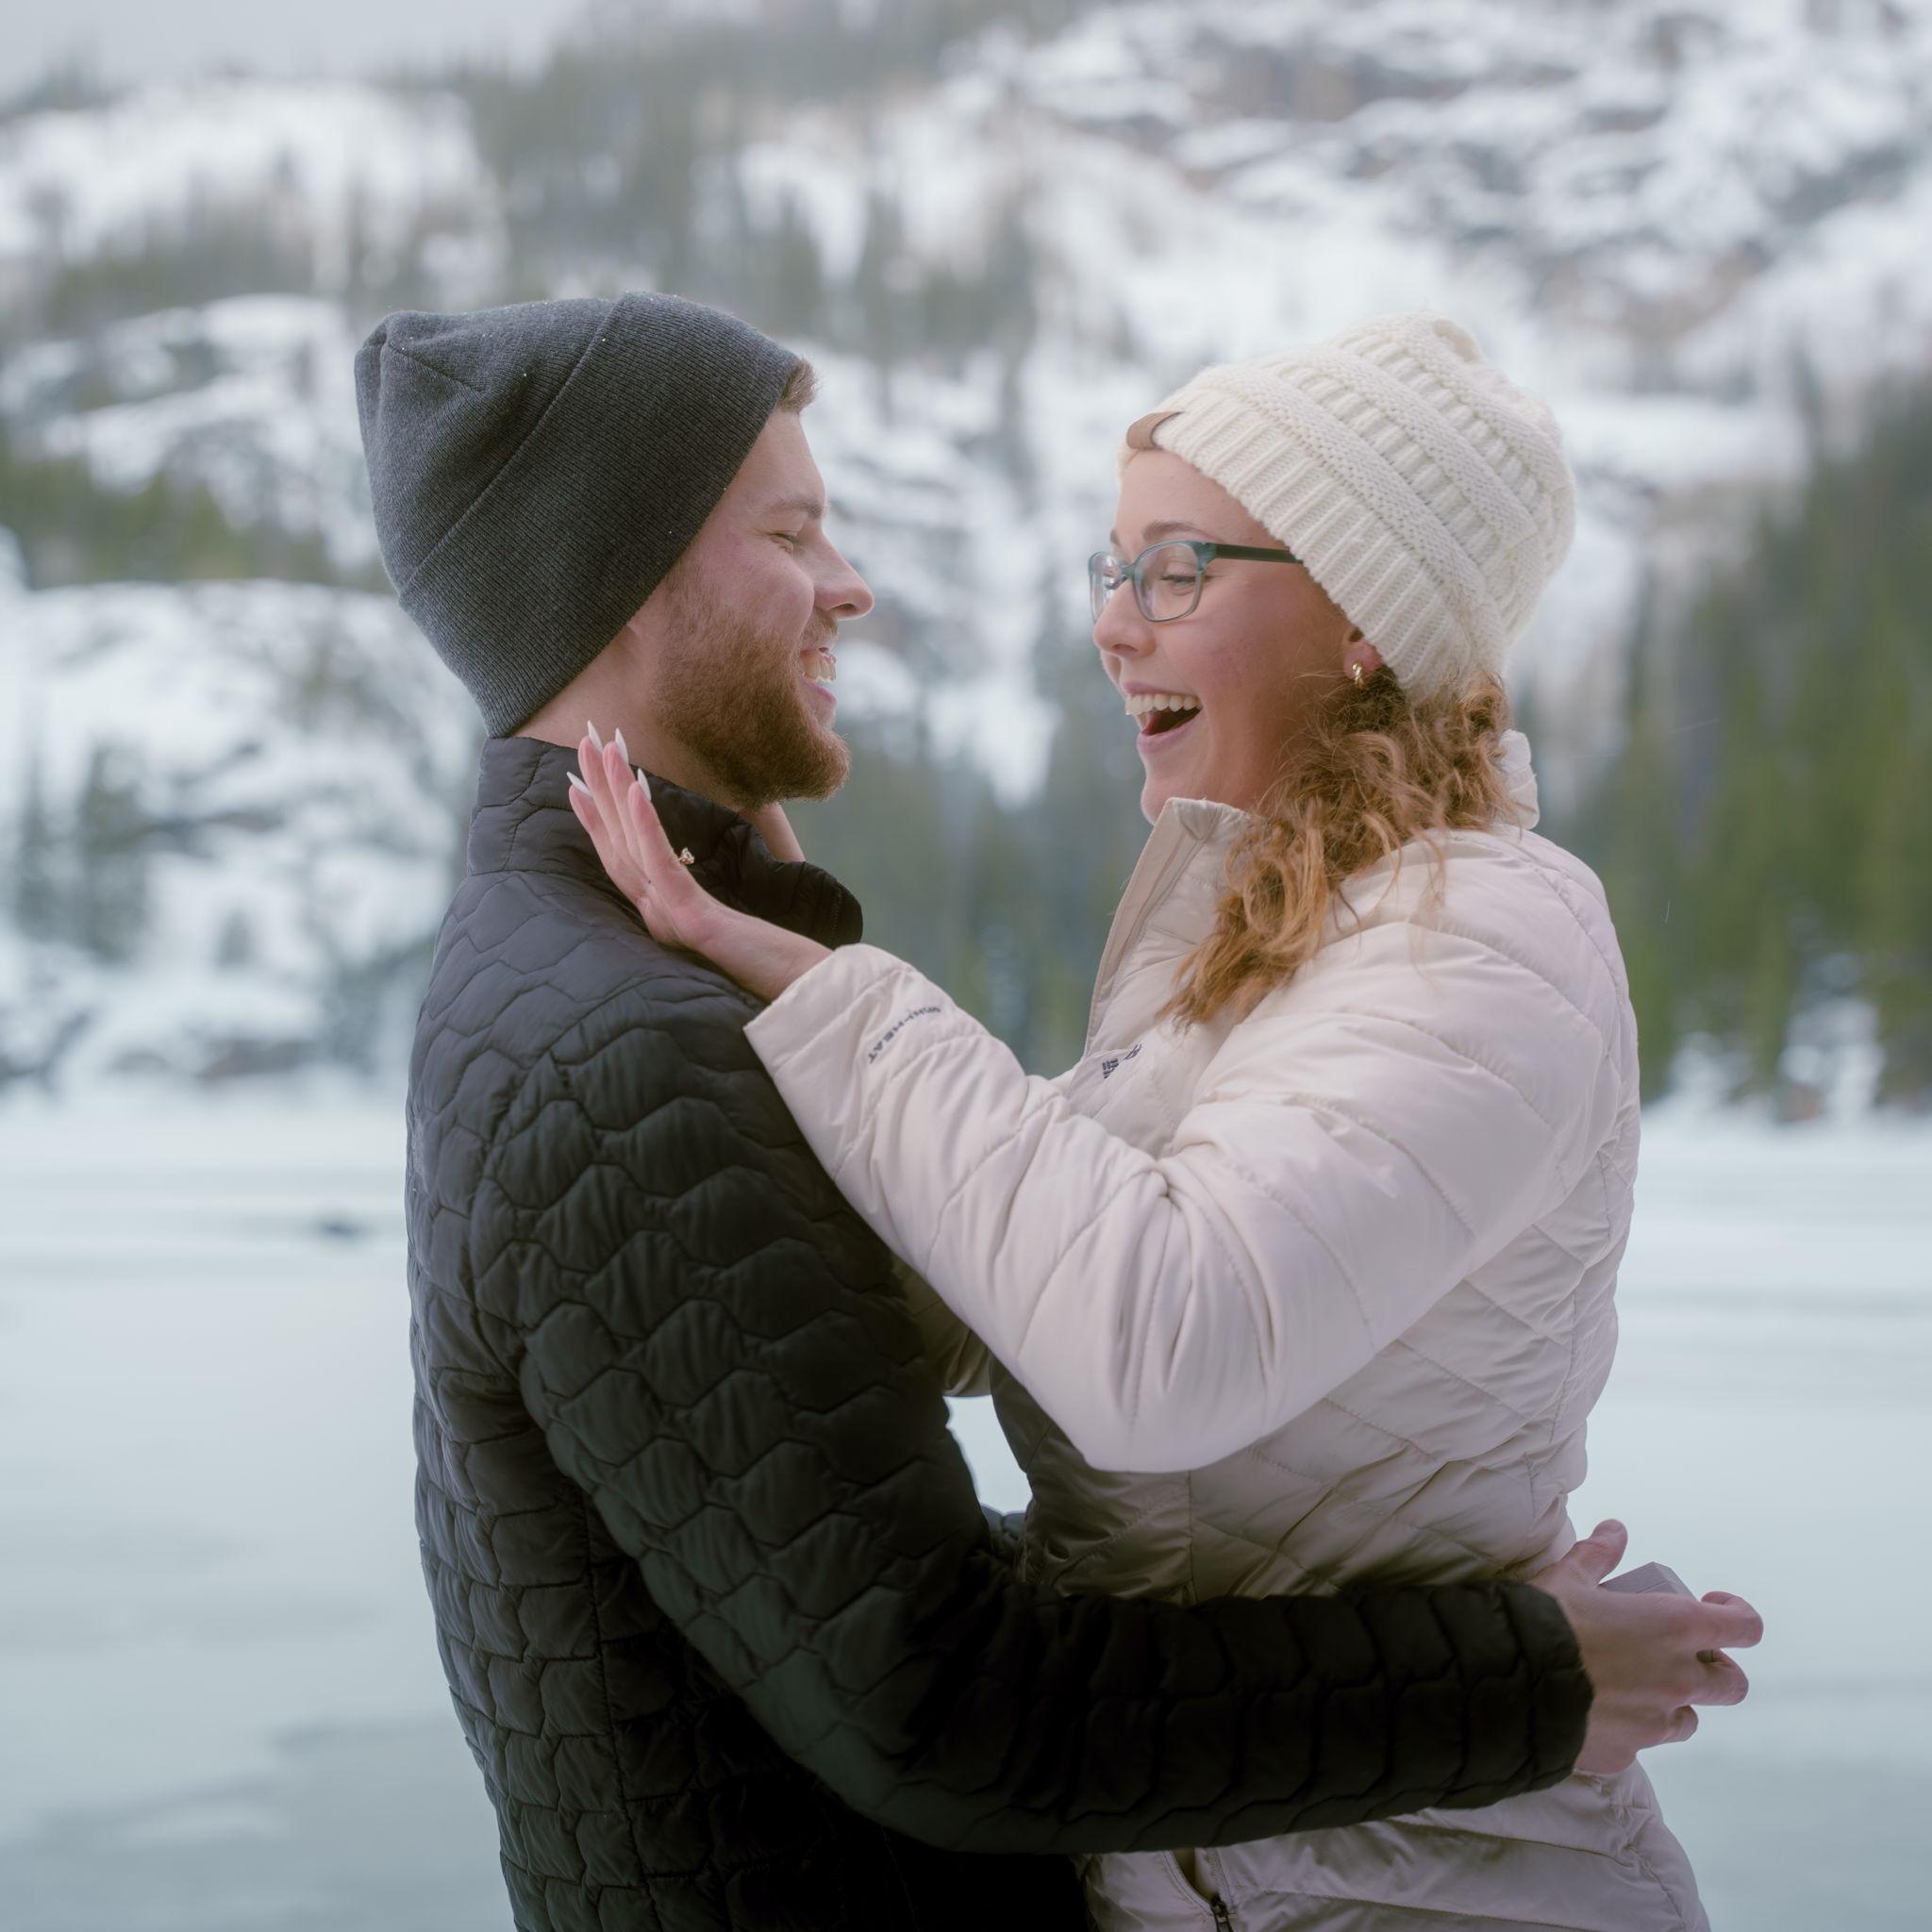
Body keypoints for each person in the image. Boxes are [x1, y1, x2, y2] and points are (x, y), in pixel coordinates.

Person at [358, 292, 1757, 1932]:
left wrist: (817, 987)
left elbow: (1150, 1340)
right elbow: (982, 1344)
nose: (1111, 622)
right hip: (1230, 1877)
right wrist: (1505, 1673)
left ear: (1365, 614)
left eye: (1175, 570)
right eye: (1117, 567)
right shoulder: (1221, 953)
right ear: (626, 569)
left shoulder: (1476, 936)